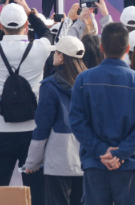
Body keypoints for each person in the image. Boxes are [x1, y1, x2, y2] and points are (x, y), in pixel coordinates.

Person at [69, 22, 135, 205]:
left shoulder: (83, 80)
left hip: (95, 163)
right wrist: (121, 153)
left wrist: (101, 150)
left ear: (101, 48)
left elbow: (77, 121)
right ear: (127, 48)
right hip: (129, 164)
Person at [0, 0, 53, 202]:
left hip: (1, 129)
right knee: (36, 191)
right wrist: (30, 12)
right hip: (32, 130)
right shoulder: (39, 49)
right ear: (27, 25)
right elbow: (47, 33)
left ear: (1, 26)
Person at [25, 37, 87, 205]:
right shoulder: (90, 83)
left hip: (59, 160)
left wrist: (32, 162)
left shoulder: (50, 85)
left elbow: (42, 127)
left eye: (55, 52)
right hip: (87, 159)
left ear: (61, 57)